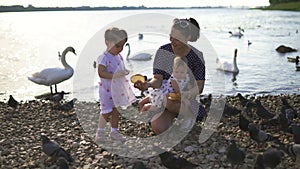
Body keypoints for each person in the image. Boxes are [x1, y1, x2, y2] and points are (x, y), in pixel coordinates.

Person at [134, 17, 206, 134]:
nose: (172, 41)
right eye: (170, 36)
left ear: (188, 37)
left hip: (185, 101)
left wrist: (183, 95)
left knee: (172, 103)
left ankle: (187, 116)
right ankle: (173, 117)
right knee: (159, 128)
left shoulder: (197, 56)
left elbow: (199, 87)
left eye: (176, 38)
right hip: (165, 100)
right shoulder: (163, 51)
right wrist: (146, 85)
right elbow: (157, 80)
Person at [95, 27, 136, 142]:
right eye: (117, 46)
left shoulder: (119, 56)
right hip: (107, 90)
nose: (120, 49)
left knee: (116, 110)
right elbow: (101, 73)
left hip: (117, 90)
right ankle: (100, 131)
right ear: (107, 43)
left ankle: (114, 131)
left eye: (122, 46)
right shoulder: (103, 57)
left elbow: (119, 68)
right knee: (106, 111)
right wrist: (115, 75)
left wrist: (125, 71)